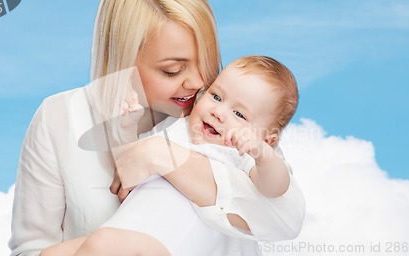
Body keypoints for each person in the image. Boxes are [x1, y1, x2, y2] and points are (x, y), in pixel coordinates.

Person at [9, 0, 305, 255]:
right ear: (122, 59)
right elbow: (30, 250)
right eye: (172, 71)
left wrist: (159, 156)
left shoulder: (239, 127)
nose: (198, 83)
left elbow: (284, 216)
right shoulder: (59, 117)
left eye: (206, 62)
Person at [57, 55, 301, 256]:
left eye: (240, 114)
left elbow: (274, 189)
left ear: (267, 138)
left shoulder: (238, 153)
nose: (219, 112)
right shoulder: (174, 128)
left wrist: (264, 156)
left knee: (103, 244)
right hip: (127, 225)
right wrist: (126, 128)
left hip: (166, 240)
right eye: (216, 97)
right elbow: (128, 168)